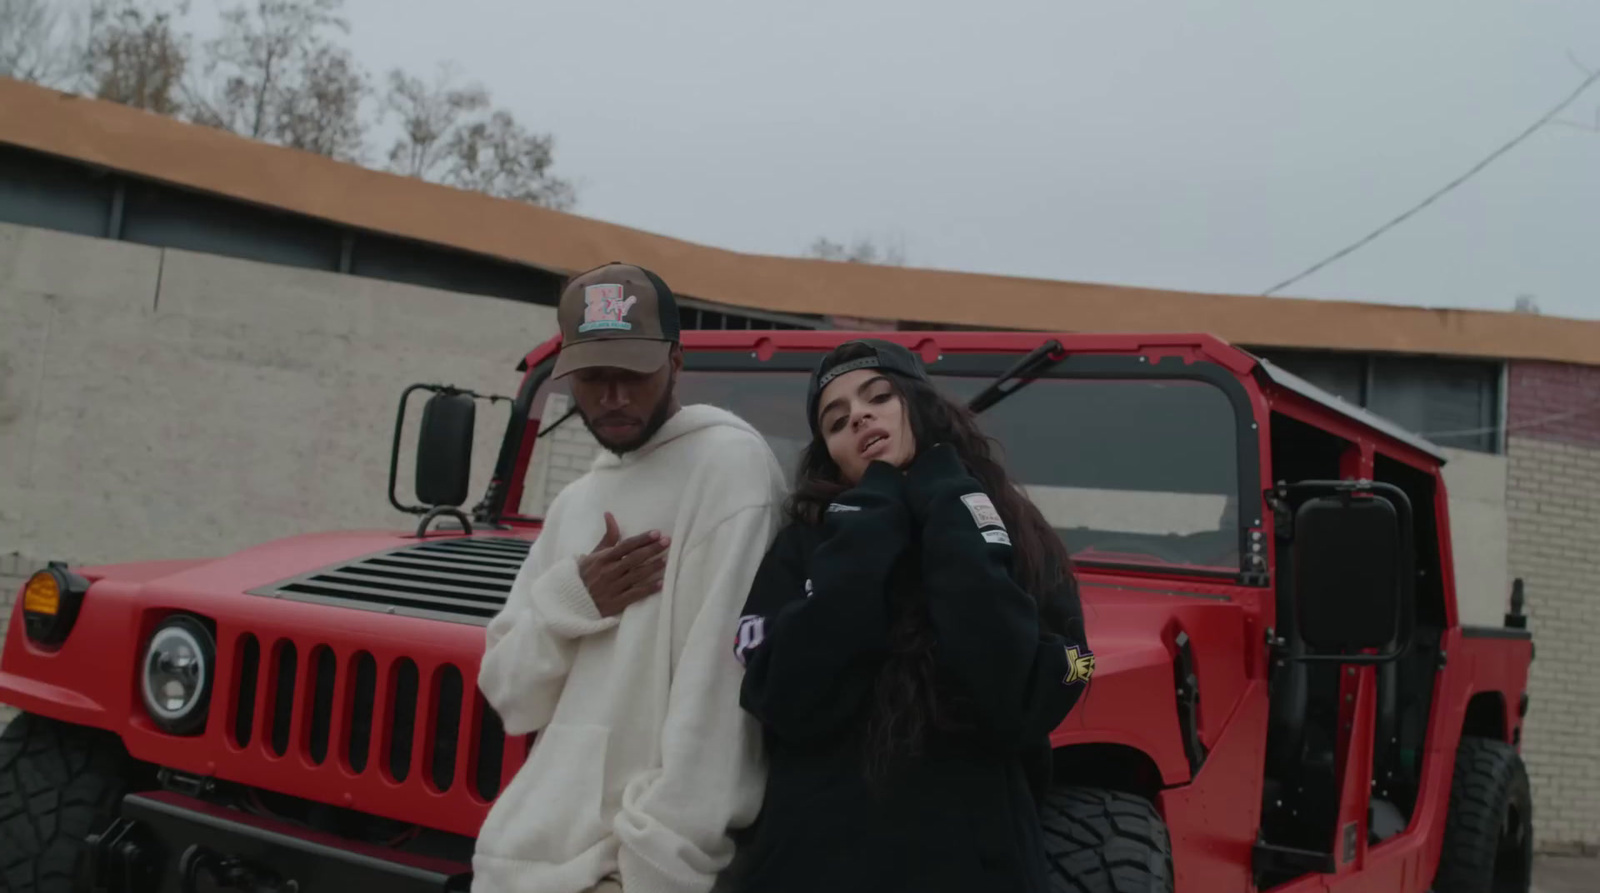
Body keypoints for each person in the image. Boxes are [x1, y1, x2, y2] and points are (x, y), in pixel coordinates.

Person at [726, 339, 1093, 893]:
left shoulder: (1021, 534)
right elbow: (785, 700)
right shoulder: (802, 546)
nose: (860, 417)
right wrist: (869, 517)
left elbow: (1029, 693)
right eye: (836, 420)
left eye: (879, 396)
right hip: (811, 865)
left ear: (921, 404)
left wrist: (949, 499)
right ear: (831, 453)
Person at [473, 262, 787, 893]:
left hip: (632, 870)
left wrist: (651, 872)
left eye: (632, 374)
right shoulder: (576, 501)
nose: (612, 396)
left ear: (674, 362)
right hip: (517, 862)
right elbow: (511, 695)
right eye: (593, 377)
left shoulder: (731, 471)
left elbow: (721, 703)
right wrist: (572, 602)